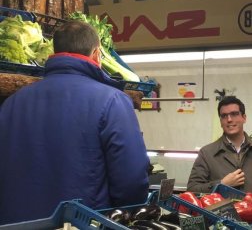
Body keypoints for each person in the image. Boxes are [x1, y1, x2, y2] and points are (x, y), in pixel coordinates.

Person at [0, 20, 150, 225]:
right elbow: (131, 183)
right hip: (81, 223)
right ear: (97, 54)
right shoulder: (112, 101)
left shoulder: (12, 103)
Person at [187, 96, 252, 199]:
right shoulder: (207, 153)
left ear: (244, 118)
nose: (229, 119)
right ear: (220, 121)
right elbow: (192, 190)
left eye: (234, 114)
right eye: (224, 116)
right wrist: (221, 184)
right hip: (218, 215)